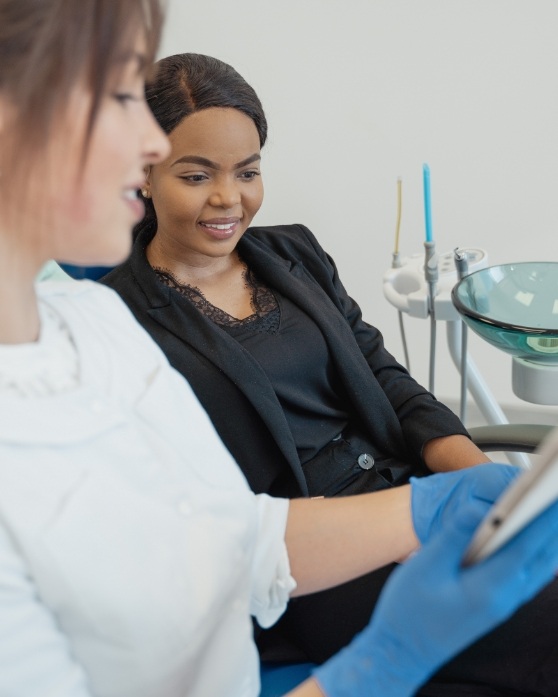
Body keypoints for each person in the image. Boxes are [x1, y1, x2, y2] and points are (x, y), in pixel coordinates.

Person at [2, 3, 558, 697]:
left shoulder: (92, 326)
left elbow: (236, 535)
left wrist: (452, 499)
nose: (149, 144)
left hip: (363, 513)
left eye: (245, 170)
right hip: (320, 586)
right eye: (120, 96)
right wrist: (380, 664)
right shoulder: (121, 314)